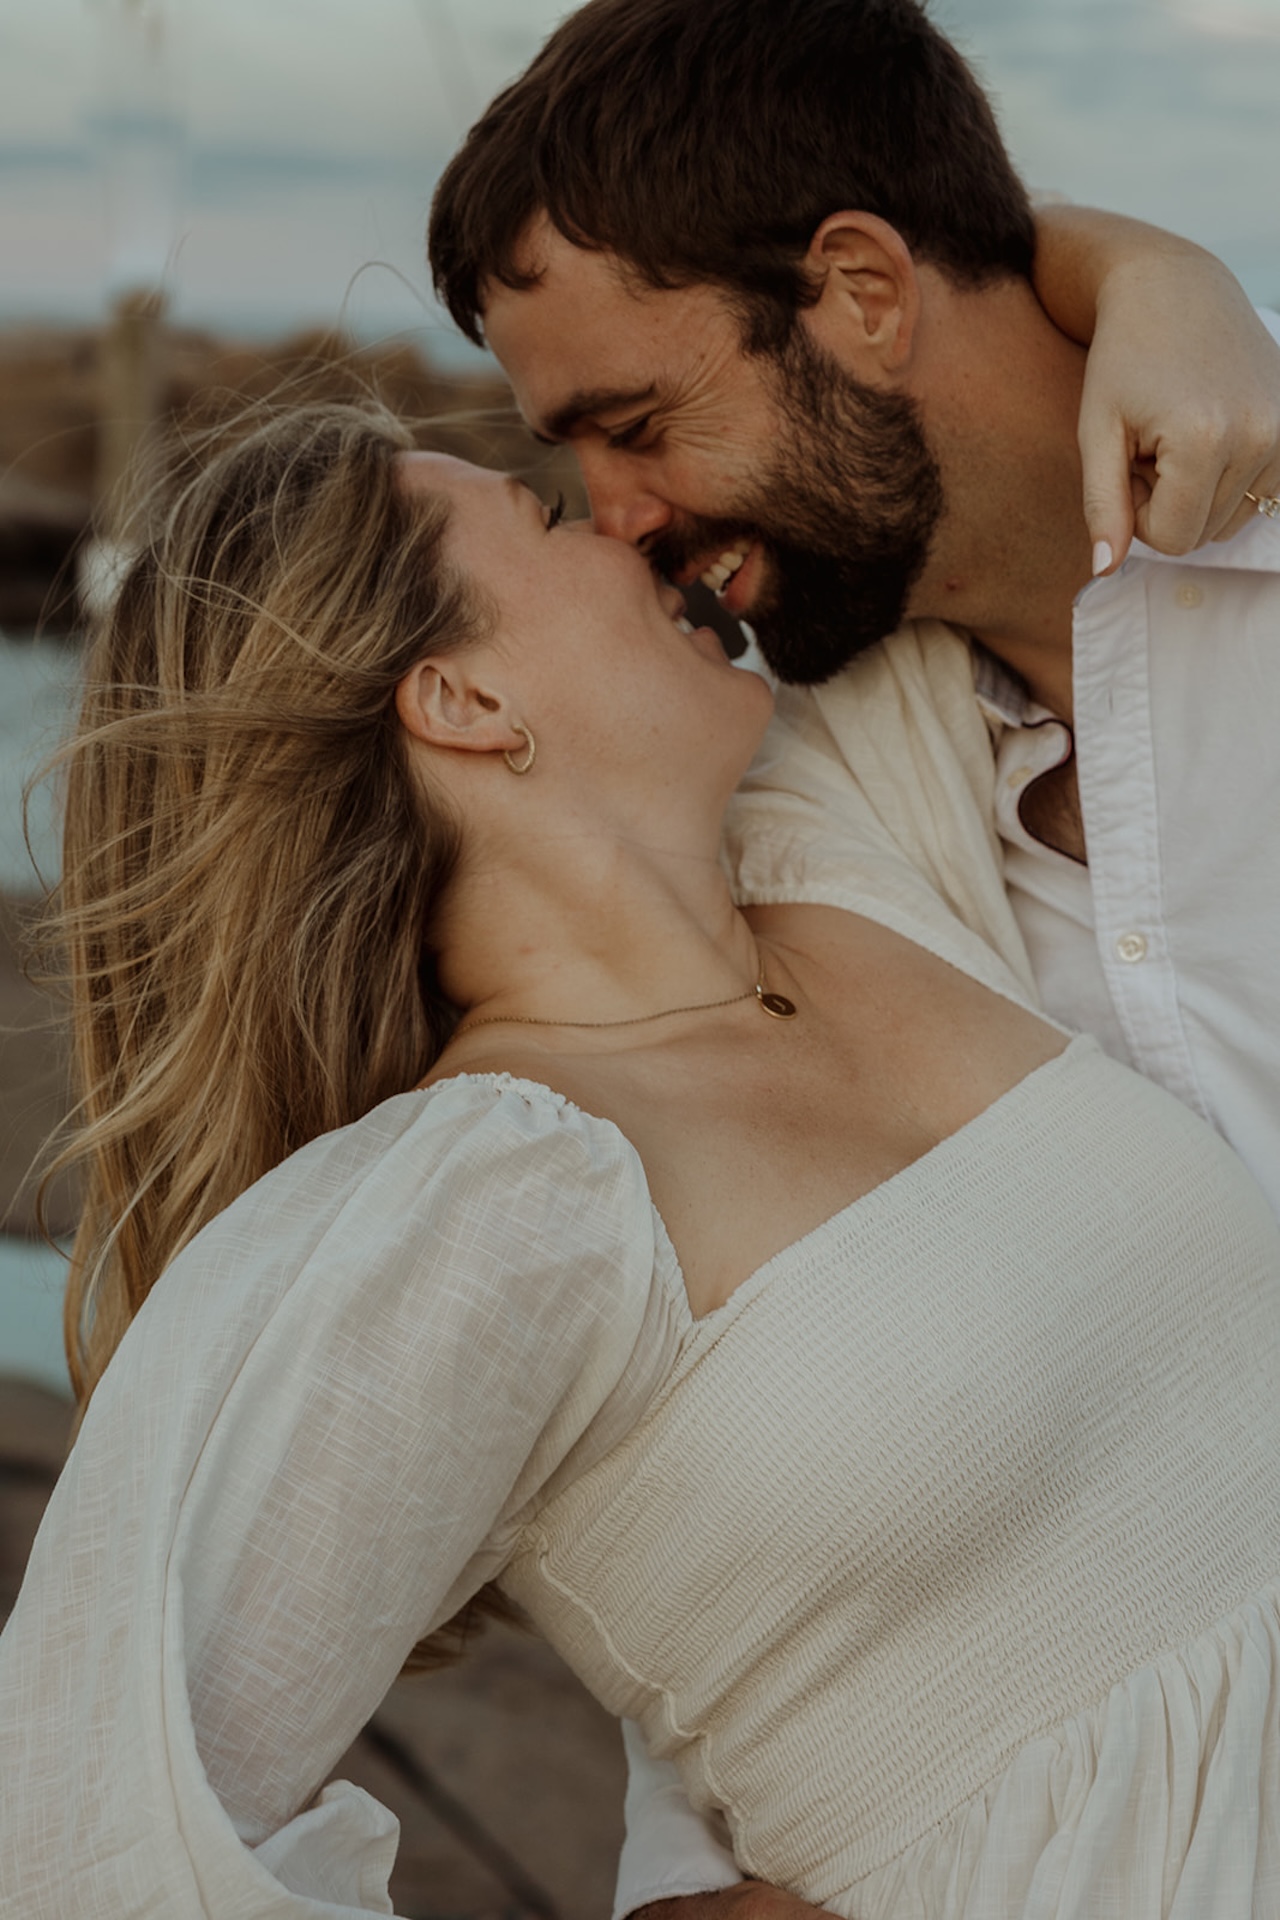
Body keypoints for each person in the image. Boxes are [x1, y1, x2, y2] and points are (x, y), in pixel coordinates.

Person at [3, 399, 1280, 1917]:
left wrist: (1163, 285)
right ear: (461, 699)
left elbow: (938, 385)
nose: (623, 524)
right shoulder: (494, 1202)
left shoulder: (841, 848)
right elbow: (78, 1845)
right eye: (547, 519)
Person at [425, 11, 1280, 1901]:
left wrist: (1149, 268)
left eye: (633, 427)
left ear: (863, 291)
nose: (625, 523)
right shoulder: (802, 804)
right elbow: (790, 1492)